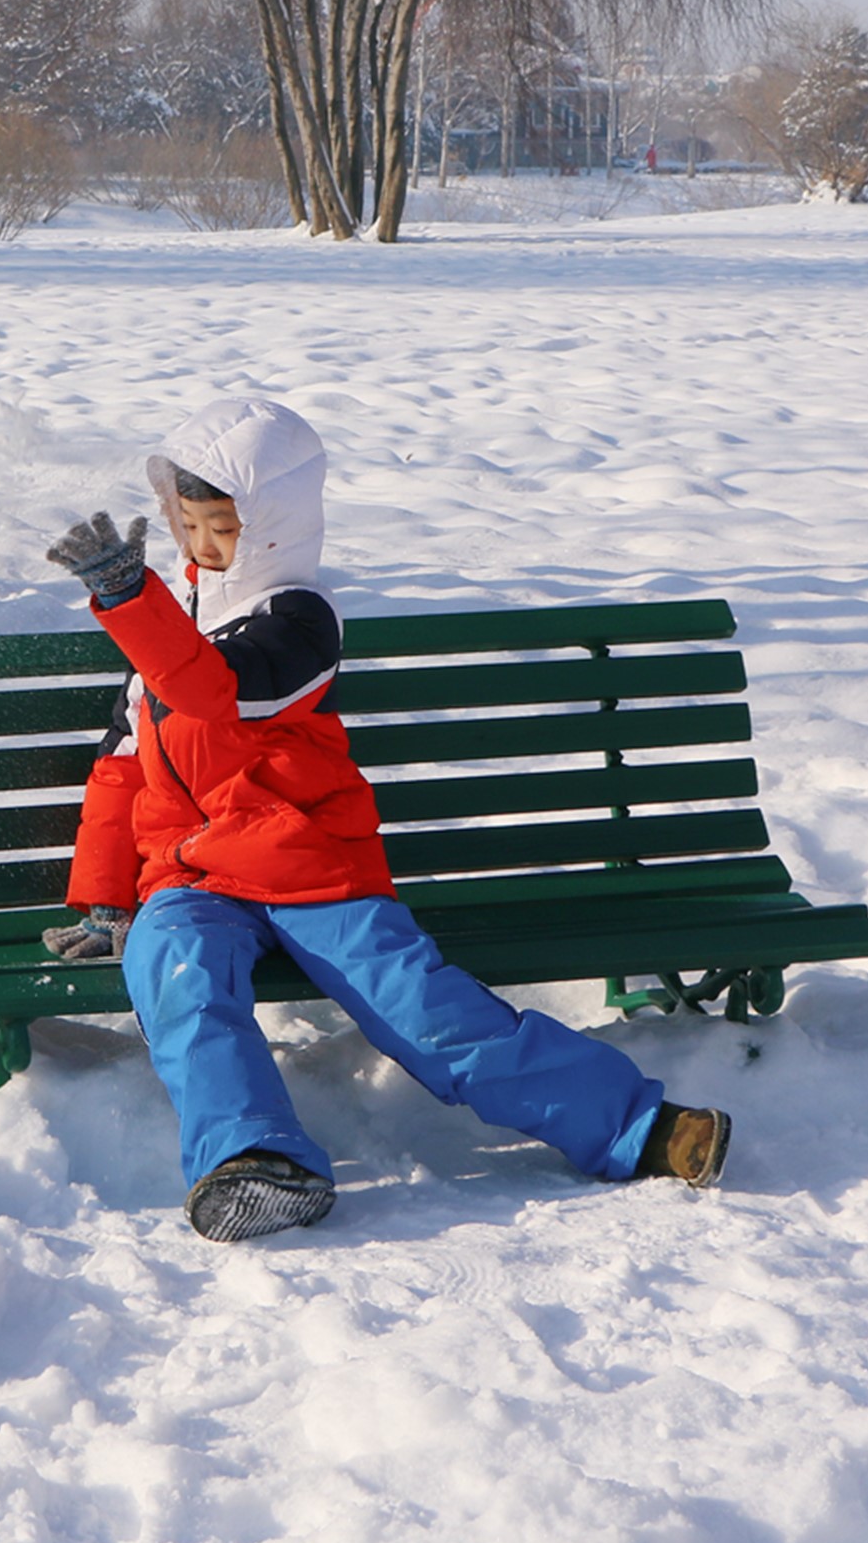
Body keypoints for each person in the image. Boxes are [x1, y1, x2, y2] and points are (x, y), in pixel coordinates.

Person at [41, 396, 731, 1243]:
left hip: (310, 871)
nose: (200, 546)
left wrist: (126, 600)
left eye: (221, 527)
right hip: (190, 877)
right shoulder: (168, 629)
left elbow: (213, 693)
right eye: (187, 523)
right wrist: (107, 896)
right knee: (177, 976)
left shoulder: (298, 619)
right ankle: (252, 1160)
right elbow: (119, 768)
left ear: (270, 525)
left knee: (422, 1011)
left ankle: (636, 1127)